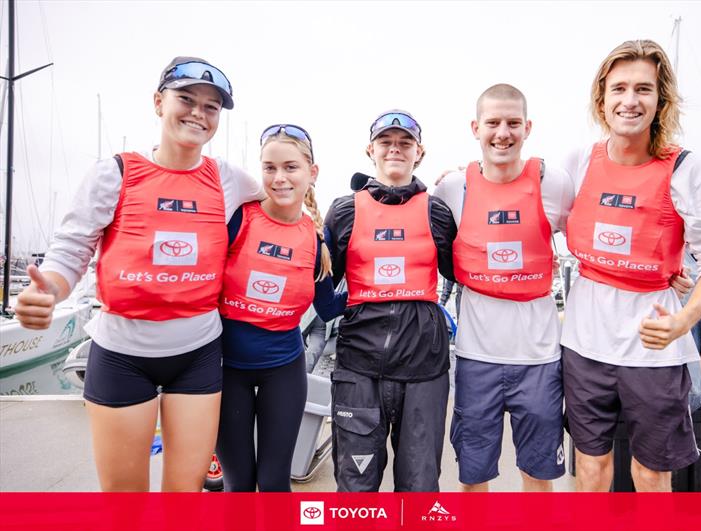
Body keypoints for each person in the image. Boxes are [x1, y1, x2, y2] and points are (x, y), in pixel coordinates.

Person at [14, 57, 264, 491]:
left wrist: (314, 236)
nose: (198, 114)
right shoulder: (115, 173)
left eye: (211, 107)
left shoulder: (227, 178)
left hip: (198, 351)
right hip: (122, 352)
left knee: (183, 500)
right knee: (125, 503)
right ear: (157, 102)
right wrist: (50, 291)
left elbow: (280, 199)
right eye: (186, 99)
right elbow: (71, 248)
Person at [561, 40, 701, 492]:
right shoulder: (578, 162)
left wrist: (683, 321)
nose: (630, 100)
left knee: (651, 472)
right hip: (583, 344)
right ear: (602, 100)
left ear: (662, 100)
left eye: (644, 89)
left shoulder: (689, 171)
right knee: (591, 467)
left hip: (654, 351)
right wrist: (467, 176)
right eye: (619, 88)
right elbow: (526, 212)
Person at [433, 84, 572, 491]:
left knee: (538, 474)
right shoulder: (452, 187)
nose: (502, 133)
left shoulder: (554, 183)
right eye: (492, 123)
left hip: (539, 357)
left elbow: (590, 235)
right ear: (476, 128)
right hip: (477, 357)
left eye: (513, 123)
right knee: (475, 476)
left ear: (527, 127)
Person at [324, 110, 457, 491]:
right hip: (359, 367)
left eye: (404, 143)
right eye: (386, 141)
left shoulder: (437, 211)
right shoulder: (344, 210)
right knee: (356, 485)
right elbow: (320, 285)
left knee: (419, 486)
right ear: (371, 149)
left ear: (420, 152)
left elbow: (464, 271)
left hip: (424, 366)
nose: (395, 149)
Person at [215, 124, 345, 491]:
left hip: (283, 370)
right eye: (269, 168)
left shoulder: (318, 236)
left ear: (312, 173)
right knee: (239, 483)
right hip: (227, 369)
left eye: (290, 167)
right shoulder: (241, 217)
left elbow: (329, 306)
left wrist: (377, 290)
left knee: (274, 483)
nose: (279, 178)